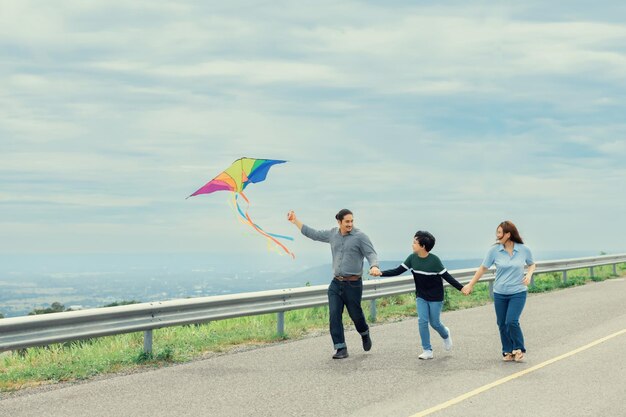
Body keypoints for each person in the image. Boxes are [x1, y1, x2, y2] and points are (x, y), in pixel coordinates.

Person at [287, 209, 381, 359]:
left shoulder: (360, 236)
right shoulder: (332, 234)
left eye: (352, 221)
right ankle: (341, 348)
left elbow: (371, 253)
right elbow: (314, 234)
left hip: (353, 284)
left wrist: (374, 266)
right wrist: (295, 221)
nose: (350, 224)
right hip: (336, 283)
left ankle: (364, 332)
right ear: (339, 222)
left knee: (356, 316)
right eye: (347, 222)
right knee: (334, 315)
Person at [371, 231, 464, 360]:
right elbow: (398, 271)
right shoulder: (412, 258)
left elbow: (447, 276)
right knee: (422, 321)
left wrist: (462, 288)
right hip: (421, 295)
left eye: (415, 242)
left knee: (435, 323)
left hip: (436, 296)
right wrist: (381, 273)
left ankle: (446, 334)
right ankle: (427, 350)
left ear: (423, 246)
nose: (412, 244)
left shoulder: (434, 260)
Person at [462, 221, 536, 362]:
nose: (497, 235)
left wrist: (529, 275)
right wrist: (470, 284)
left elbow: (532, 264)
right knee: (502, 323)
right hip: (500, 293)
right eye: (497, 232)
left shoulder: (523, 249)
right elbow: (483, 268)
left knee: (511, 321)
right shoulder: (494, 251)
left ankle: (519, 348)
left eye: (500, 232)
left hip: (518, 292)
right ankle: (507, 351)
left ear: (508, 234)